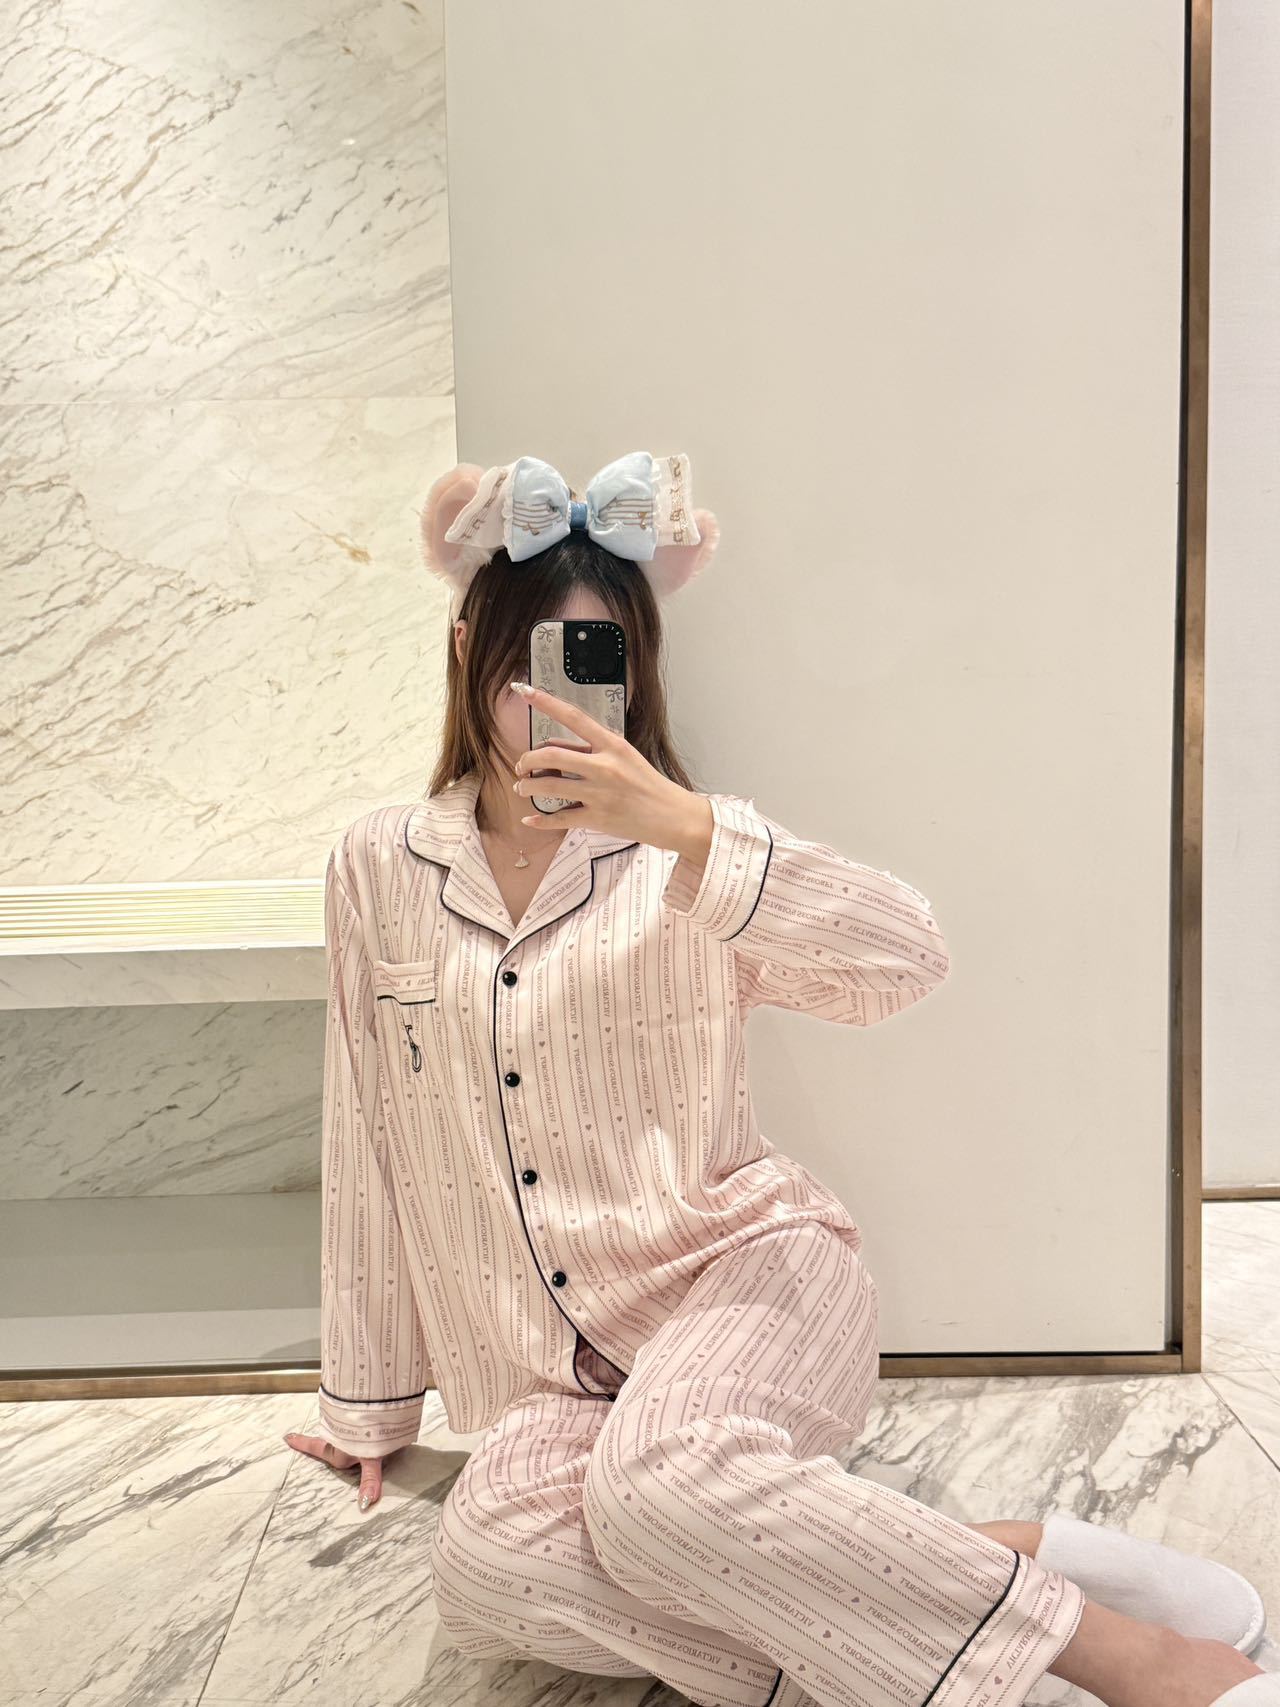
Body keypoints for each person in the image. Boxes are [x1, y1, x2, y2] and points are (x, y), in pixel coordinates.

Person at [286, 454, 1274, 1707]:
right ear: (466, 649)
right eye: (531, 663)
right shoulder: (380, 864)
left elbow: (903, 961)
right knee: (490, 1569)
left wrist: (688, 828)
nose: (558, 705)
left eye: (596, 665)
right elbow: (370, 1128)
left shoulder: (688, 855)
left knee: (659, 1489)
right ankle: (990, 1564)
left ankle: (1123, 1656)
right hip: (554, 1363)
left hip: (743, 1278)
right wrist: (370, 1407)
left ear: (636, 678)